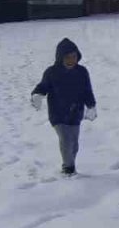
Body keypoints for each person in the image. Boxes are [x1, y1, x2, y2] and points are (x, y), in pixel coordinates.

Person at [31, 38, 97, 176]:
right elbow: (43, 86)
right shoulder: (52, 72)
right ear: (60, 57)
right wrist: (37, 95)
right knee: (66, 140)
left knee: (74, 144)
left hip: (76, 113)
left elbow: (87, 91)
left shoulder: (82, 72)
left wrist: (91, 106)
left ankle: (69, 163)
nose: (71, 60)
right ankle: (68, 168)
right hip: (58, 113)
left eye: (74, 56)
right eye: (67, 57)